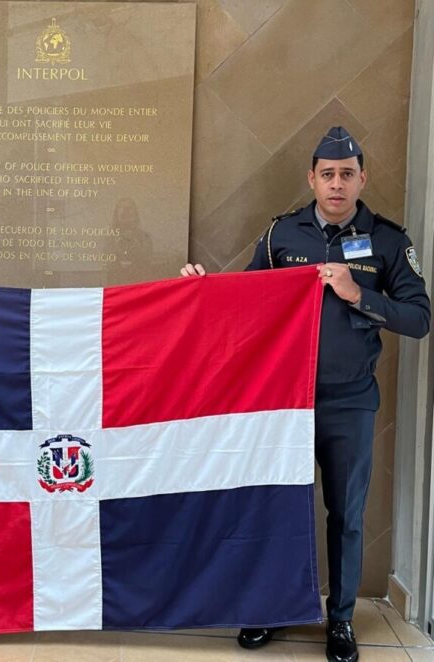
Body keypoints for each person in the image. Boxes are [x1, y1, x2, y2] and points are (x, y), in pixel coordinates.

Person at [181, 126, 430, 662]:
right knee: (277, 508)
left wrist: (358, 294)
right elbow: (246, 301)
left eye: (347, 174)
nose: (337, 184)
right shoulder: (282, 234)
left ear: (362, 179)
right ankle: (269, 609)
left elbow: (418, 319)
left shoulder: (388, 241)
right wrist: (203, 290)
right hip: (282, 401)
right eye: (327, 174)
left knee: (346, 515)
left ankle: (340, 620)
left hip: (350, 402)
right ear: (311, 179)